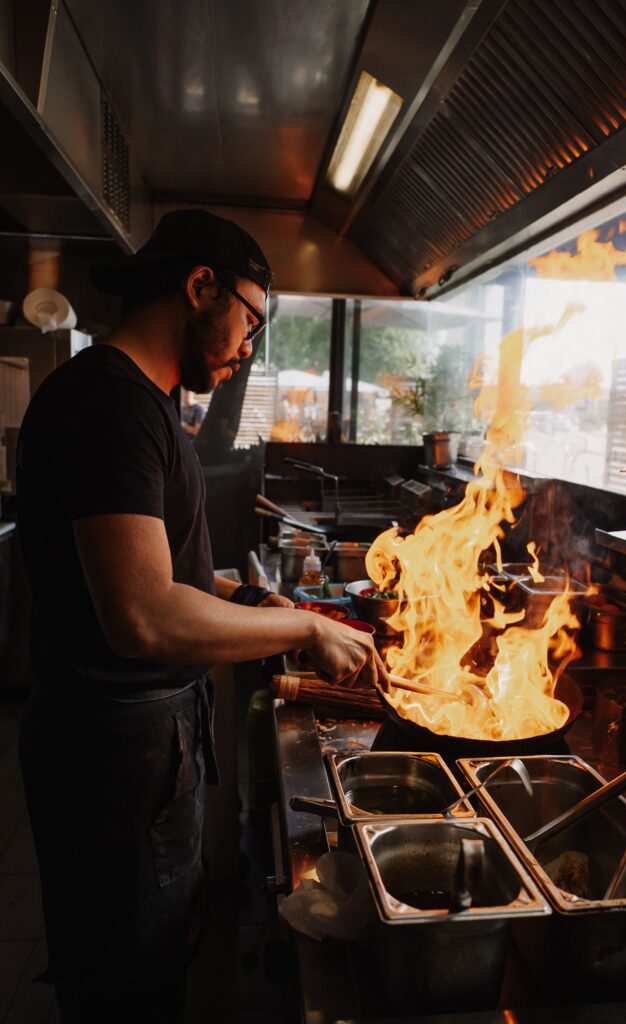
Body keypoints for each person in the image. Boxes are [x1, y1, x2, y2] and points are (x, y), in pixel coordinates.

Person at [16, 208, 389, 1023]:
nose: (249, 346)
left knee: (149, 964)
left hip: (137, 745)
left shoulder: (141, 402)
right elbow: (144, 616)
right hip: (113, 755)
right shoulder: (110, 406)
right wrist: (306, 628)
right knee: (128, 990)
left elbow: (172, 577)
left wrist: (254, 600)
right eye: (250, 319)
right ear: (199, 287)